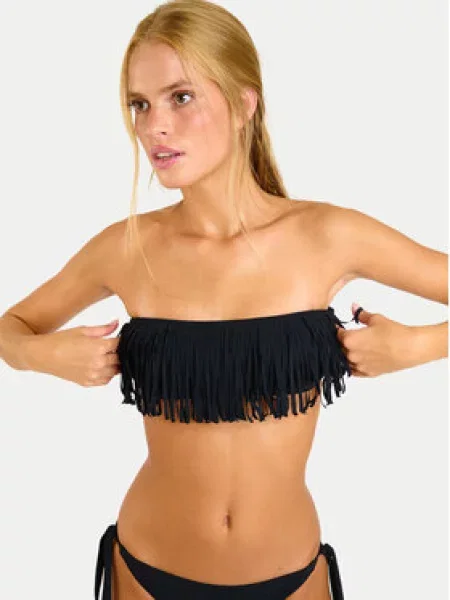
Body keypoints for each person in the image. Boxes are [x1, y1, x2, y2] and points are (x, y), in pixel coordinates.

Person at [0, 1, 447, 598]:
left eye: (180, 97)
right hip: (147, 571)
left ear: (243, 104)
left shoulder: (327, 235)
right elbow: (11, 327)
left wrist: (419, 347)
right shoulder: (128, 248)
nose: (154, 126)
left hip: (291, 578)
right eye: (140, 104)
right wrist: (43, 355)